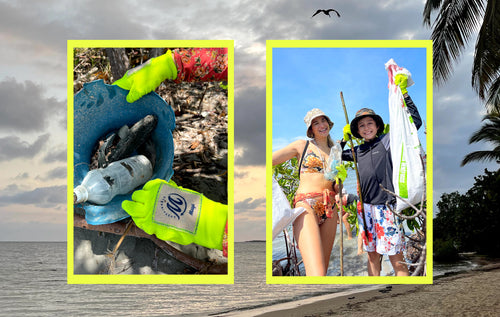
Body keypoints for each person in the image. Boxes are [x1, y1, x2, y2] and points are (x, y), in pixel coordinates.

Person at [341, 73, 421, 276]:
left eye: (369, 123)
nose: (366, 128)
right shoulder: (356, 151)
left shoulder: (386, 142)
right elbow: (335, 157)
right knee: (372, 255)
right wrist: (343, 140)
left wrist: (404, 94)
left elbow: (414, 124)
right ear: (357, 132)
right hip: (365, 210)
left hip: (386, 207)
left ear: (377, 126)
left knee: (395, 255)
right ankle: (374, 292)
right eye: (361, 125)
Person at [272, 109, 339, 276]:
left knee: (323, 271)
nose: (321, 125)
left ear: (328, 124)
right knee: (316, 273)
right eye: (316, 123)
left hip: (330, 208)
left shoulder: (336, 151)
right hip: (306, 206)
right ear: (311, 128)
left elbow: (337, 184)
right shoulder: (302, 145)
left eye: (323, 121)